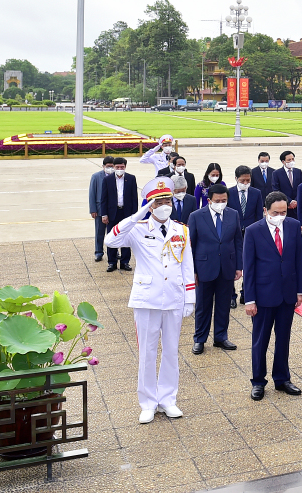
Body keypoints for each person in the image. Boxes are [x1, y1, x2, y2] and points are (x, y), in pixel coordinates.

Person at [104, 178, 195, 424]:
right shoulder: (137, 228)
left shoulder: (181, 230)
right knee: (147, 352)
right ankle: (147, 403)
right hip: (147, 299)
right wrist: (137, 214)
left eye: (168, 201)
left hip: (174, 297)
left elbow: (187, 265)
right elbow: (110, 240)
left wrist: (190, 298)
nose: (165, 206)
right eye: (159, 202)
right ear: (150, 205)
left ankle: (168, 399)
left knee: (171, 351)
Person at [243, 191, 302, 400]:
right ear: (265, 211)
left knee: (283, 338)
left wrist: (299, 290)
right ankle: (258, 381)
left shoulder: (293, 226)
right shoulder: (253, 231)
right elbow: (249, 267)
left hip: (287, 293)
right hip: (263, 295)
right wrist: (249, 299)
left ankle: (282, 378)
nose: (280, 216)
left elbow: (299, 259)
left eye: (283, 212)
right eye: (275, 213)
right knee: (260, 340)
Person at [187, 183, 241, 354]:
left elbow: (238, 242)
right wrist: (192, 271)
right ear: (209, 200)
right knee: (203, 306)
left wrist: (239, 266)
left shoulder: (233, 214)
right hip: (204, 267)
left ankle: (220, 337)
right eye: (217, 201)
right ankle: (199, 339)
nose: (221, 203)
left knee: (224, 305)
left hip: (227, 266)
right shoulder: (196, 216)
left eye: (224, 200)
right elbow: (191, 245)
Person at [229, 165, 264, 306]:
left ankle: (246, 293)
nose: (245, 183)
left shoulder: (256, 193)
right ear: (236, 178)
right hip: (233, 232)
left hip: (250, 232)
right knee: (231, 262)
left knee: (249, 263)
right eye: (242, 180)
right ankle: (231, 295)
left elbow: (259, 215)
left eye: (248, 180)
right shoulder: (229, 192)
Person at [98, 158, 137, 272]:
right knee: (112, 237)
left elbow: (134, 198)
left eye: (122, 167)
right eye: (117, 167)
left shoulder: (131, 178)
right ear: (114, 167)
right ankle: (112, 262)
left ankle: (125, 262)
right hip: (112, 213)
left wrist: (134, 215)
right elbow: (104, 199)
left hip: (126, 213)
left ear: (125, 167)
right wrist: (104, 214)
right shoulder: (107, 179)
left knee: (126, 237)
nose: (120, 169)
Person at [89, 156, 116, 262]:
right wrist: (93, 209)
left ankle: (114, 251)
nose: (110, 168)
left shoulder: (117, 176)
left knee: (113, 232)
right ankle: (98, 252)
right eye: (108, 166)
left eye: (112, 166)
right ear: (103, 166)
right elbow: (92, 193)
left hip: (113, 210)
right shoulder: (96, 177)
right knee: (99, 232)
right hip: (100, 210)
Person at [271, 151, 302, 219]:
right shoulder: (276, 173)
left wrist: (296, 201)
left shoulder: (298, 172)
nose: (291, 161)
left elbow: (301, 188)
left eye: (293, 159)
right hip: (284, 206)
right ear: (283, 162)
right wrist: (289, 201)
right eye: (289, 160)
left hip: (297, 206)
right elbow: (276, 190)